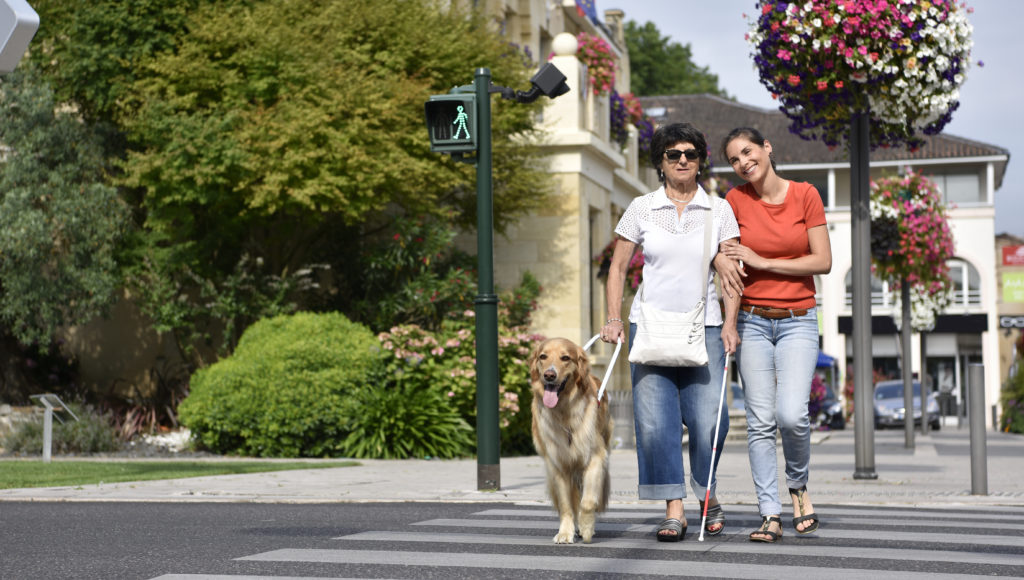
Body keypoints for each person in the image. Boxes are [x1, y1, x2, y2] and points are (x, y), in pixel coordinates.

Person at [600, 122, 740, 542]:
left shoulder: (719, 210)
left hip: (707, 325)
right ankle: (674, 509)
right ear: (660, 162)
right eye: (673, 154)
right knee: (656, 423)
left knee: (709, 420)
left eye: (690, 154)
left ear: (700, 161)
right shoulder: (642, 207)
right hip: (651, 326)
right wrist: (613, 318)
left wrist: (731, 324)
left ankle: (707, 493)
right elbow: (618, 268)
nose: (682, 160)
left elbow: (732, 274)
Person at [714, 127, 832, 543]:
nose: (743, 163)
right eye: (734, 159)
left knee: (792, 415)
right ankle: (770, 511)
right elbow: (724, 256)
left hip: (799, 318)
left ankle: (798, 486)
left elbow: (823, 261)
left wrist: (762, 260)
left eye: (748, 152)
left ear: (767, 148)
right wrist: (729, 319)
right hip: (752, 321)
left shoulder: (805, 194)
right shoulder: (734, 201)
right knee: (760, 422)